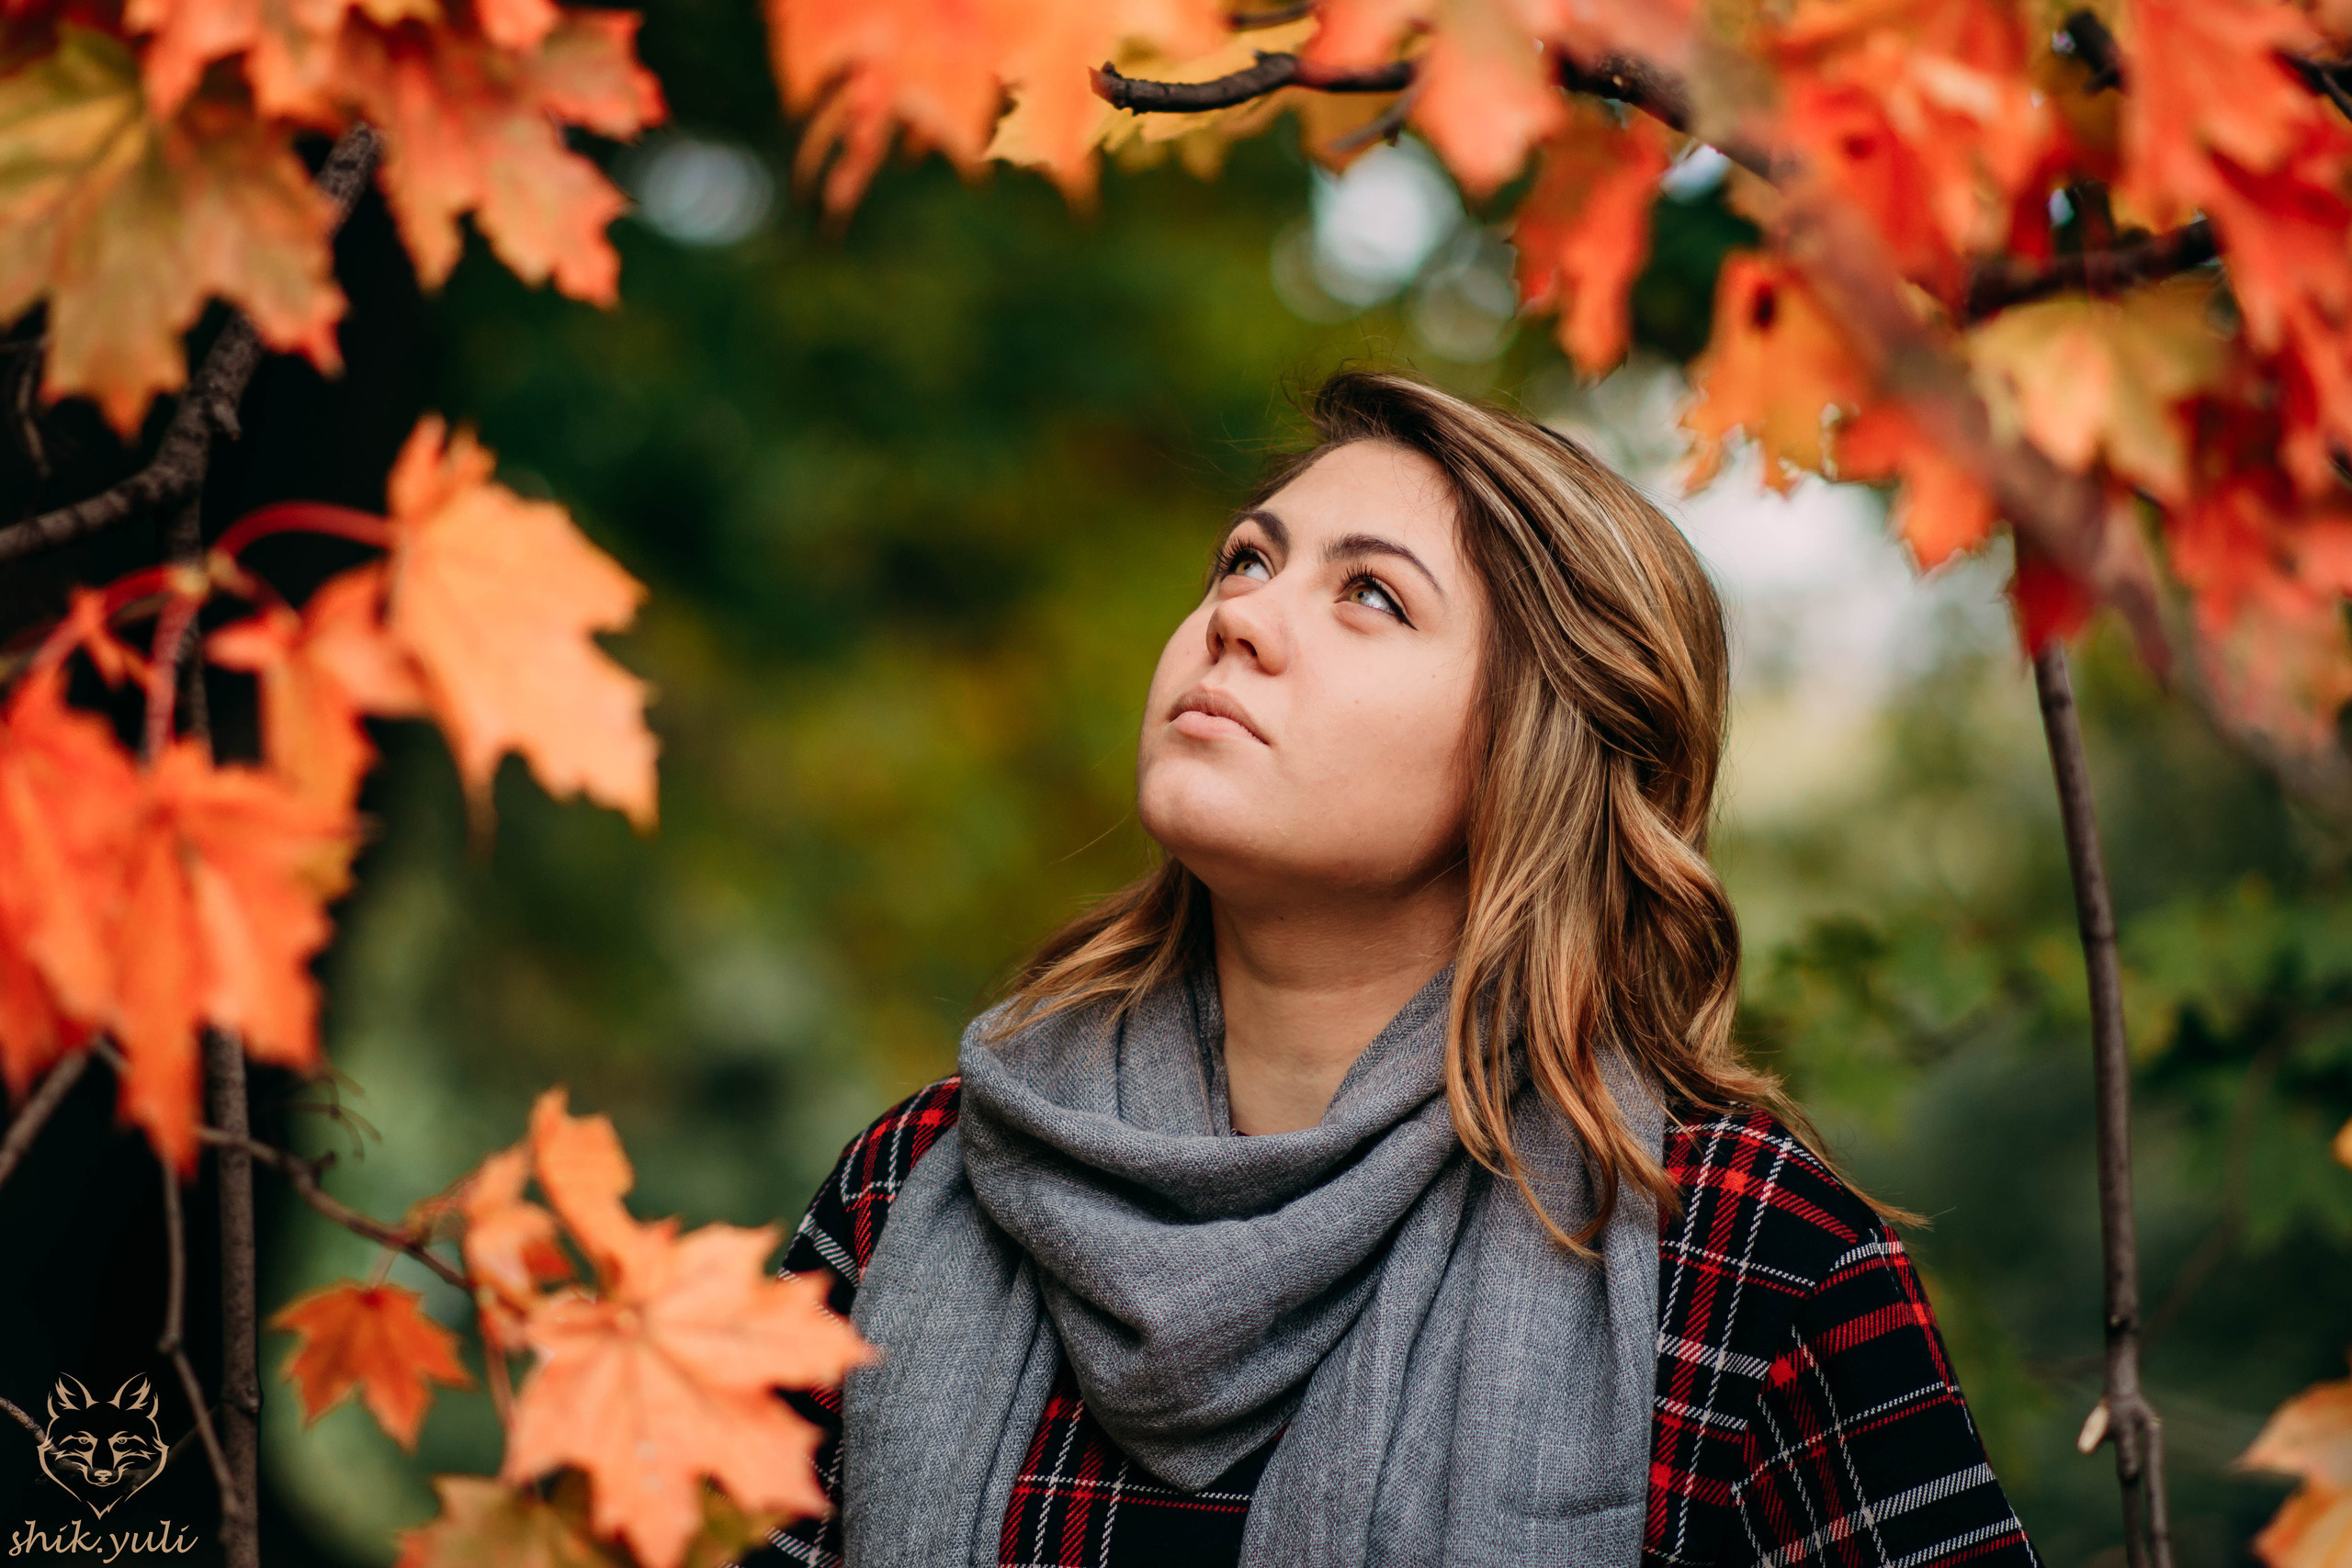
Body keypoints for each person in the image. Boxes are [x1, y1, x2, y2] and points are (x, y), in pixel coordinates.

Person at [761, 370, 2037, 1568]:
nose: (1239, 617)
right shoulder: (920, 1182)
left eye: (1371, 595)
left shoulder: (1750, 1259)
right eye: (1247, 559)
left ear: (1529, 750)